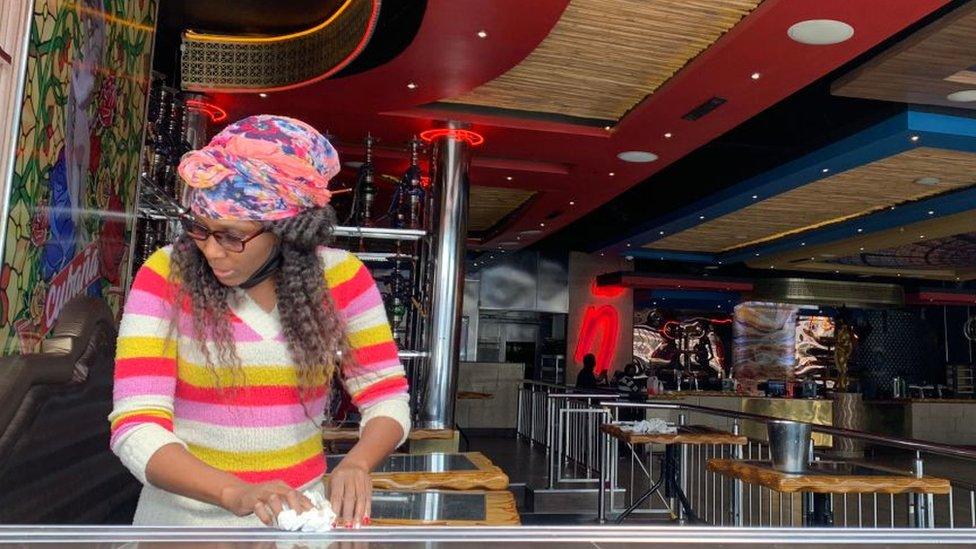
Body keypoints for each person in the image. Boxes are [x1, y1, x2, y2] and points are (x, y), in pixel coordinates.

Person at [108, 115, 410, 528]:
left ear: (289, 231)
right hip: (179, 527)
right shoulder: (166, 275)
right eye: (200, 229)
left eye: (232, 236)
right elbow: (136, 424)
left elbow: (385, 394)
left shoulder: (342, 279)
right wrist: (235, 492)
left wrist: (358, 462)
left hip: (298, 524)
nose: (212, 252)